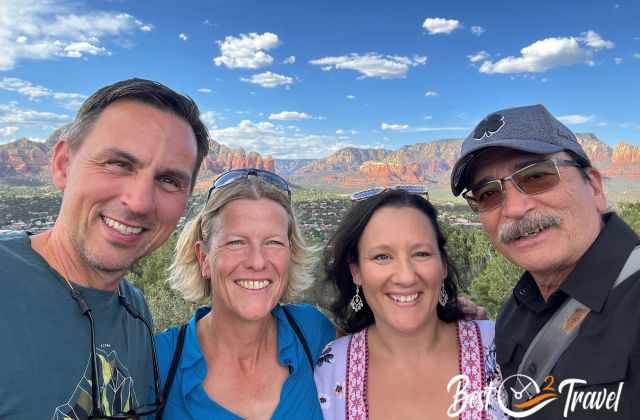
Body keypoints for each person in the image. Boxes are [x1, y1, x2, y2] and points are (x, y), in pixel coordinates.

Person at [0, 78, 209, 419]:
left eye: (169, 180)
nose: (139, 202)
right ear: (63, 164)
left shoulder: (136, 313)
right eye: (119, 163)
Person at [450, 104, 640, 419]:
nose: (514, 208)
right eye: (487, 194)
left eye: (537, 176)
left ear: (593, 186)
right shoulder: (514, 310)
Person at [155, 168, 336, 419]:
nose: (257, 262)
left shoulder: (312, 333)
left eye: (273, 242)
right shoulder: (160, 362)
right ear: (204, 258)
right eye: (236, 242)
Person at [314, 188, 504, 420]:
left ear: (443, 265)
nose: (406, 277)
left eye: (421, 254)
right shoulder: (330, 369)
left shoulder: (500, 349)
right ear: (356, 271)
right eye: (382, 257)